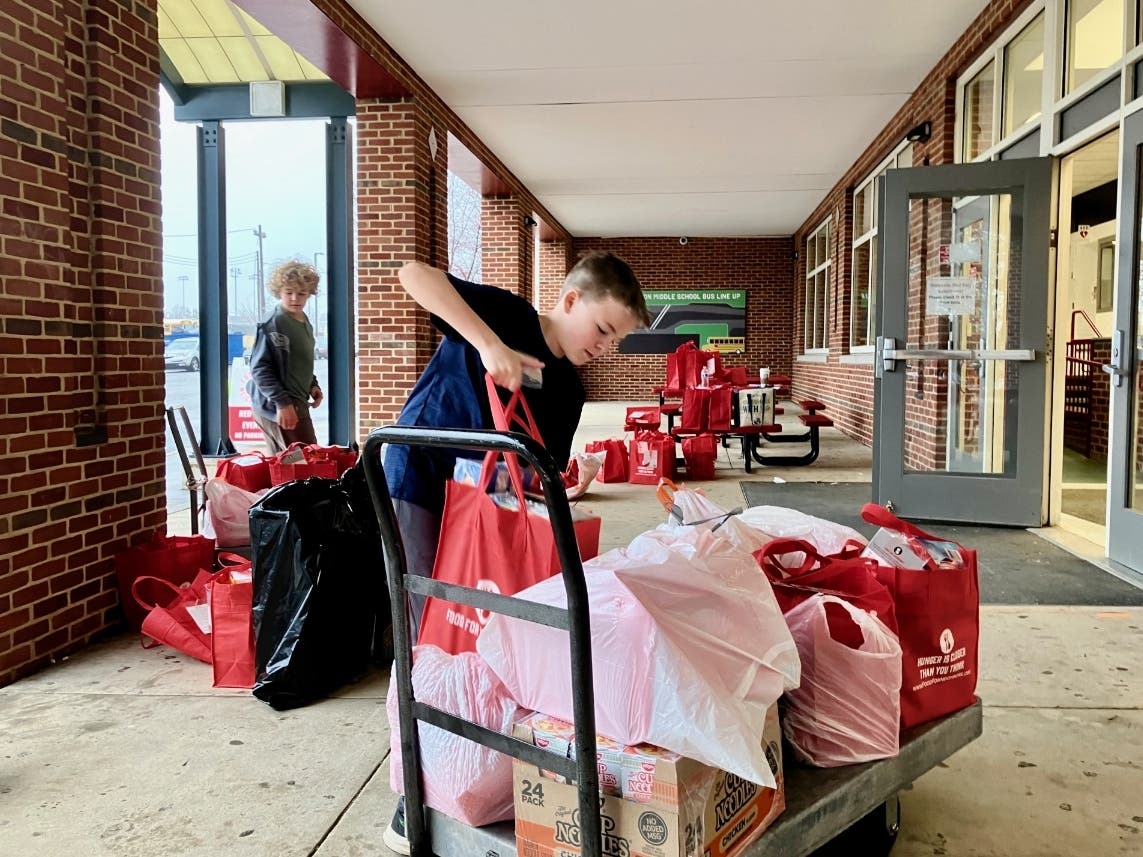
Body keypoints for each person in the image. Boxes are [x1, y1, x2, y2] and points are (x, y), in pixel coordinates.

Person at [382, 251, 649, 855]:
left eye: (617, 341)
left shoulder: (571, 390)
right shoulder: (508, 316)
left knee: (485, 640)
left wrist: (562, 485)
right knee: (426, 633)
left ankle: (471, 770)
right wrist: (486, 345)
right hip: (423, 485)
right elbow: (413, 276)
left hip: (487, 514)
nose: (604, 347)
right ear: (571, 300)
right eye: (603, 330)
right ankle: (412, 791)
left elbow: (531, 469)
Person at [246, 260, 324, 454]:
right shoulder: (273, 323)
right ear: (279, 291)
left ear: (310, 293)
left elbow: (300, 361)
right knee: (300, 463)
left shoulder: (303, 320)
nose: (295, 298)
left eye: (302, 293)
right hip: (280, 406)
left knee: (295, 462)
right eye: (289, 292)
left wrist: (312, 385)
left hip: (295, 402)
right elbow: (260, 369)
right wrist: (282, 403)